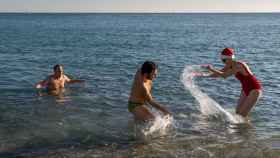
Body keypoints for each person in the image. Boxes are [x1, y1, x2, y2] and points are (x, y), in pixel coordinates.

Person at [203, 48, 262, 117]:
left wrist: (211, 69)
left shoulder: (238, 65)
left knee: (242, 115)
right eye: (222, 60)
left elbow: (224, 75)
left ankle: (246, 126)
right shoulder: (229, 65)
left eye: (224, 60)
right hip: (245, 89)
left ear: (230, 58)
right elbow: (218, 73)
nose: (223, 62)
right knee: (237, 113)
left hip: (254, 89)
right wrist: (202, 74)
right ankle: (243, 127)